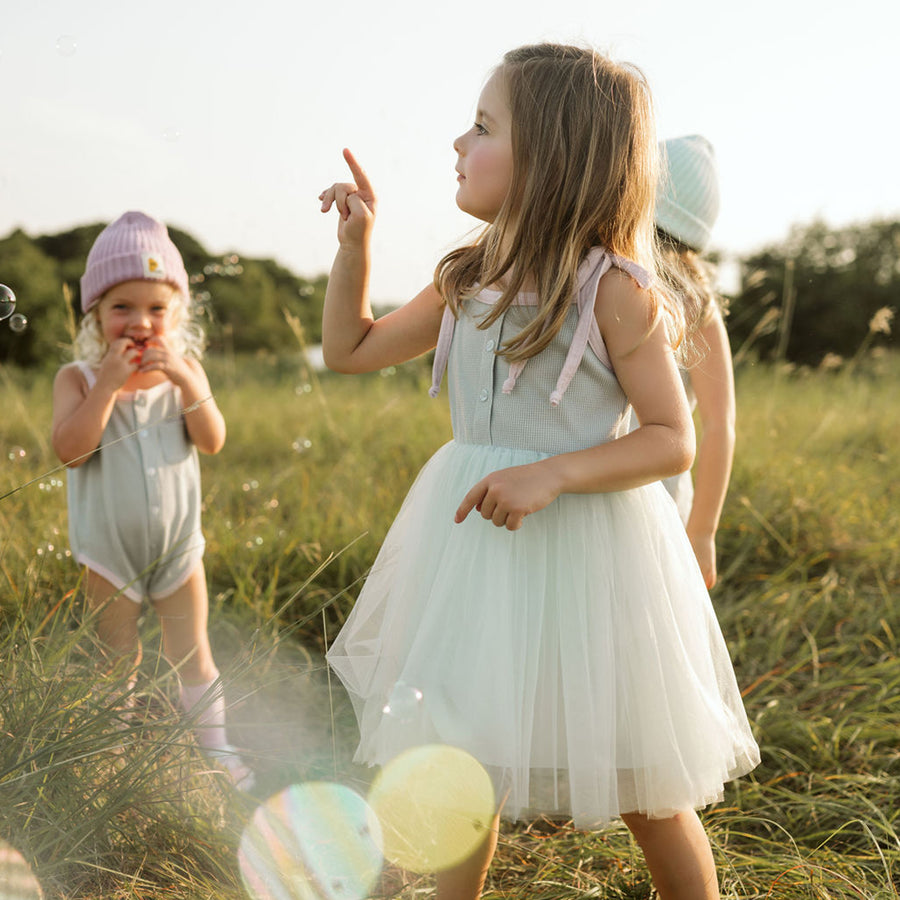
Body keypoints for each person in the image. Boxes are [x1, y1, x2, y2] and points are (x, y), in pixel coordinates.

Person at [319, 44, 759, 900]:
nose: (457, 141)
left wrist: (553, 474)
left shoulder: (615, 291)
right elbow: (351, 348)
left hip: (594, 555)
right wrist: (356, 247)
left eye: (483, 126)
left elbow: (672, 438)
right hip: (475, 554)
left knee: (646, 784)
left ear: (552, 158)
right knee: (460, 765)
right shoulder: (466, 276)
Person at [51, 211, 252, 789]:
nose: (140, 322)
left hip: (177, 548)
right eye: (122, 308)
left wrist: (190, 385)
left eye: (157, 309)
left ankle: (216, 749)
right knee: (116, 661)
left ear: (177, 314)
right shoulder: (81, 378)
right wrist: (109, 385)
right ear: (95, 313)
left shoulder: (186, 372)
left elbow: (212, 440)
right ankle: (111, 758)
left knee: (193, 651)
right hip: (108, 553)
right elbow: (71, 452)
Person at [655, 134, 735, 588]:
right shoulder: (697, 299)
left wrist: (703, 530)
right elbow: (721, 424)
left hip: (655, 498)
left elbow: (720, 422)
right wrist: (702, 528)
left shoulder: (694, 303)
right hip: (652, 488)